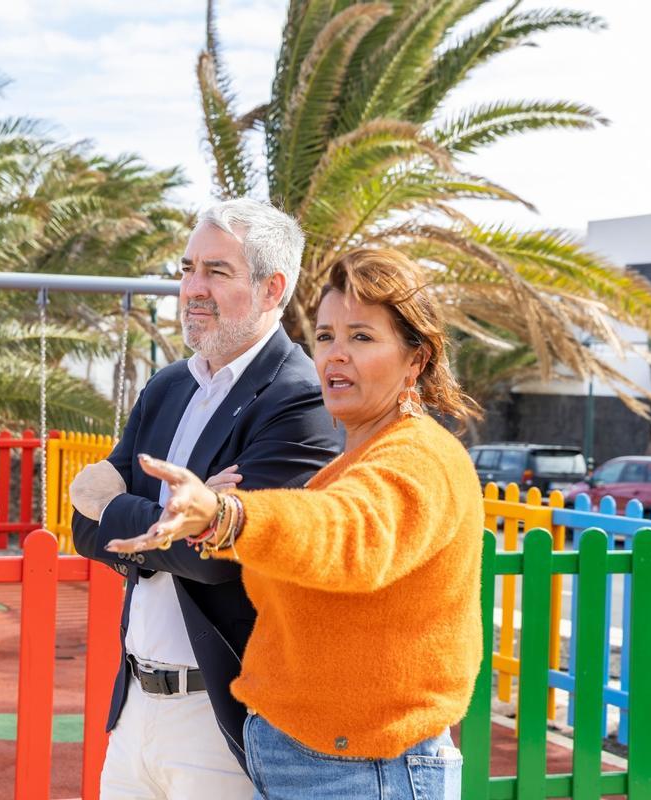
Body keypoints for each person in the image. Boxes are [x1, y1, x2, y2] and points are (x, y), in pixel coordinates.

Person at [107, 247, 484, 800]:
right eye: (327, 336)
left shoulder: (418, 457)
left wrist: (225, 516)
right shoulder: (351, 461)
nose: (335, 356)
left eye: (362, 337)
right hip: (324, 764)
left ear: (417, 360)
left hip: (362, 772)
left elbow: (346, 533)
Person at [69, 198, 341, 798]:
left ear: (273, 288)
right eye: (188, 267)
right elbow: (82, 527)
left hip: (221, 718)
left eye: (216, 272)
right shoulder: (169, 386)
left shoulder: (299, 400)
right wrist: (176, 523)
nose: (192, 287)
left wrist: (127, 512)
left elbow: (217, 555)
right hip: (135, 705)